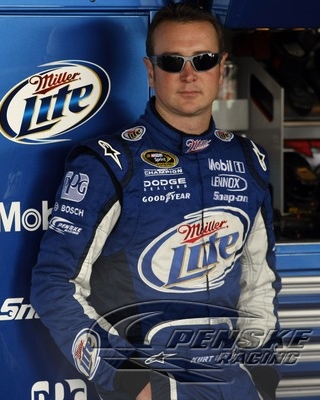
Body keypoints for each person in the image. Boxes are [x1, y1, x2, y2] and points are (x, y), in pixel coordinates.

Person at [30, 2, 282, 400]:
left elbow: (259, 280)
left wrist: (260, 373)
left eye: (203, 60)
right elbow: (54, 284)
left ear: (222, 67)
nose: (188, 75)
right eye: (172, 61)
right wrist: (130, 380)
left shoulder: (248, 160)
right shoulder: (109, 163)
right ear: (150, 71)